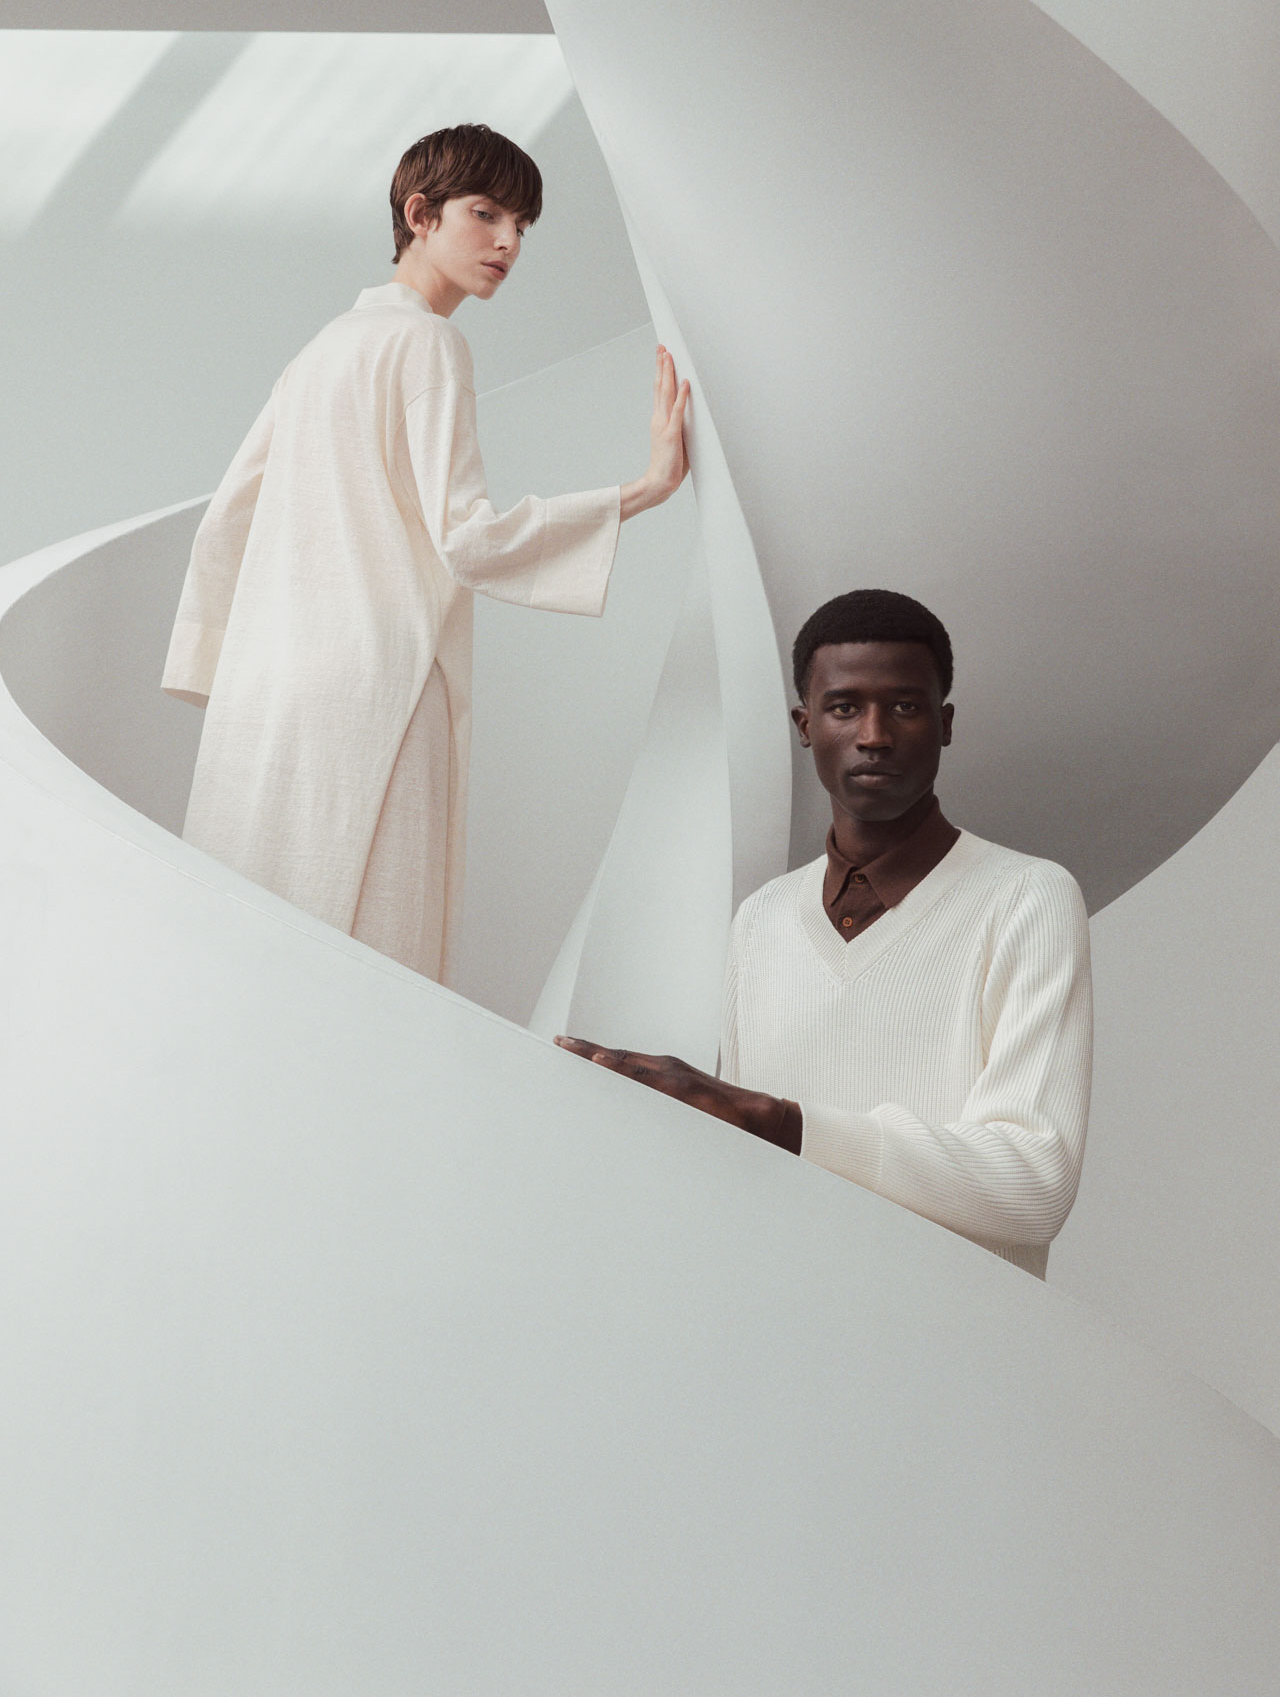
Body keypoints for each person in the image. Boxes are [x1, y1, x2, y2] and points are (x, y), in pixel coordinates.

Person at [163, 122, 688, 984]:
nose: (509, 242)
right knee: (379, 968)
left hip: (270, 696)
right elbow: (469, 540)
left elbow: (227, 520)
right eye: (487, 214)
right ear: (420, 214)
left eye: (523, 224)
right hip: (384, 683)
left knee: (251, 952)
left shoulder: (323, 350)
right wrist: (644, 489)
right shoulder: (430, 344)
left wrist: (217, 672)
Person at [557, 588, 1092, 1277]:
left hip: (955, 1332)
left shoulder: (1027, 898)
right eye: (844, 707)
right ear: (804, 724)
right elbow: (745, 1170)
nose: (874, 734)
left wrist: (782, 1123)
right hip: (784, 1317)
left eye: (905, 707)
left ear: (945, 723)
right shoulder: (763, 918)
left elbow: (1033, 1184)